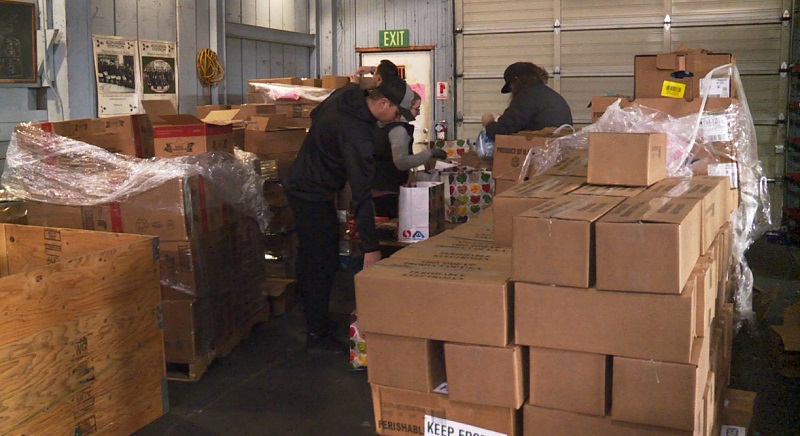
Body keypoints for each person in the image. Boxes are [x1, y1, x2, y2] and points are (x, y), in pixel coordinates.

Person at [285, 75, 417, 353]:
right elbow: (361, 193)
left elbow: (317, 113)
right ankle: (316, 334)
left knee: (314, 255)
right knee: (323, 260)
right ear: (383, 103)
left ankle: (310, 313)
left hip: (305, 182)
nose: (396, 118)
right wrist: (371, 247)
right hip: (312, 193)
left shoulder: (347, 95)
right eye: (396, 112)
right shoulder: (357, 134)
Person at [372, 91, 448, 218]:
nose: (418, 112)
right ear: (406, 108)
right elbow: (401, 162)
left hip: (379, 186)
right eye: (417, 108)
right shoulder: (398, 130)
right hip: (387, 189)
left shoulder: (382, 126)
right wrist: (429, 153)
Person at [481, 62, 573, 139]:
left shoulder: (527, 96)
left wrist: (489, 123)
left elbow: (501, 131)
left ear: (516, 81)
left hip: (538, 154)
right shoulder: (550, 95)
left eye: (511, 86)